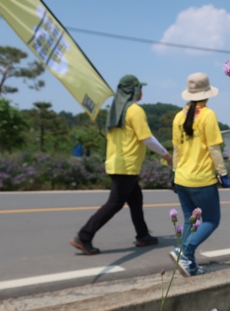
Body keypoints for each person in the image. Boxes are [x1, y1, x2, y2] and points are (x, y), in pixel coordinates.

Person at [70, 74, 172, 255]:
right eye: (139, 88)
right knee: (115, 203)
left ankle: (143, 235)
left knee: (135, 199)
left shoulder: (116, 110)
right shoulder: (134, 110)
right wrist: (166, 154)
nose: (142, 91)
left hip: (115, 162)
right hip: (127, 165)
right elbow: (147, 138)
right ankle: (84, 236)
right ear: (132, 90)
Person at [170, 72, 230, 276]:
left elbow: (176, 150)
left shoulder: (179, 116)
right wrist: (222, 172)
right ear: (207, 93)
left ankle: (189, 264)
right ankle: (185, 251)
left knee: (190, 219)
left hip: (181, 178)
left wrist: (174, 172)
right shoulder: (207, 115)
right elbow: (214, 148)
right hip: (201, 178)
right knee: (212, 219)